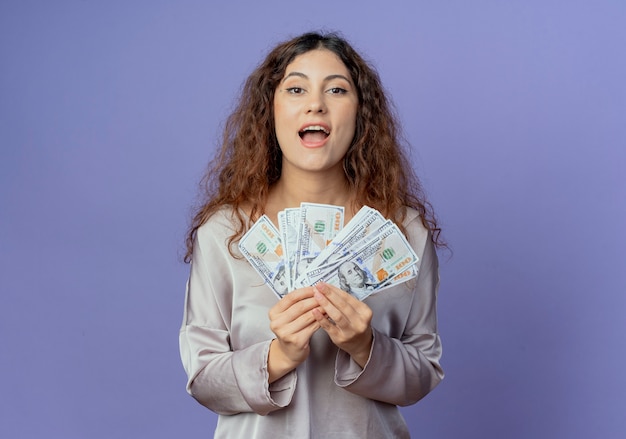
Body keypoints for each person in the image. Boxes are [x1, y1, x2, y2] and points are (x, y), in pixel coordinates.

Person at [179, 31, 445, 439]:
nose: (316, 103)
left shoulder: (403, 231)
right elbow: (203, 379)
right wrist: (278, 355)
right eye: (296, 88)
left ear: (361, 113)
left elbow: (423, 371)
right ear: (270, 111)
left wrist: (365, 346)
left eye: (337, 89)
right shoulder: (226, 232)